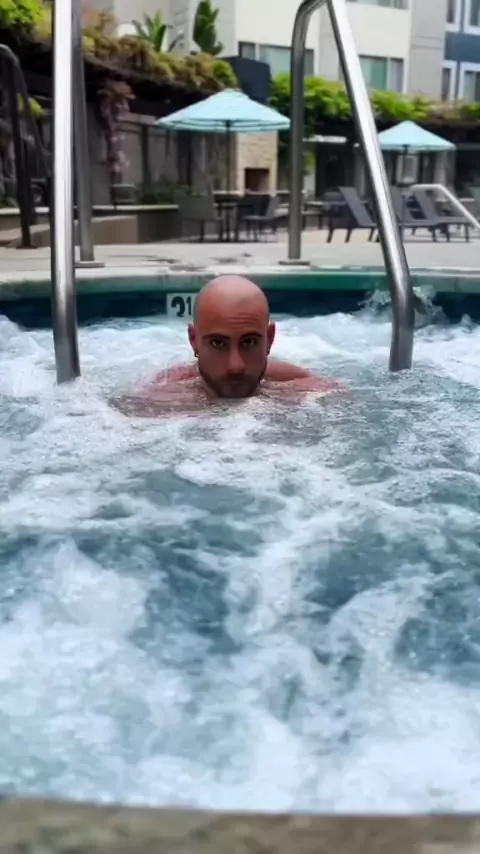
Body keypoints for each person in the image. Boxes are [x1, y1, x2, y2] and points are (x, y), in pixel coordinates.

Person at [115, 275, 339, 415]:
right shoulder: (160, 398)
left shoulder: (302, 386)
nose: (235, 366)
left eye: (249, 342)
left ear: (270, 339)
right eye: (218, 343)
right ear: (194, 340)